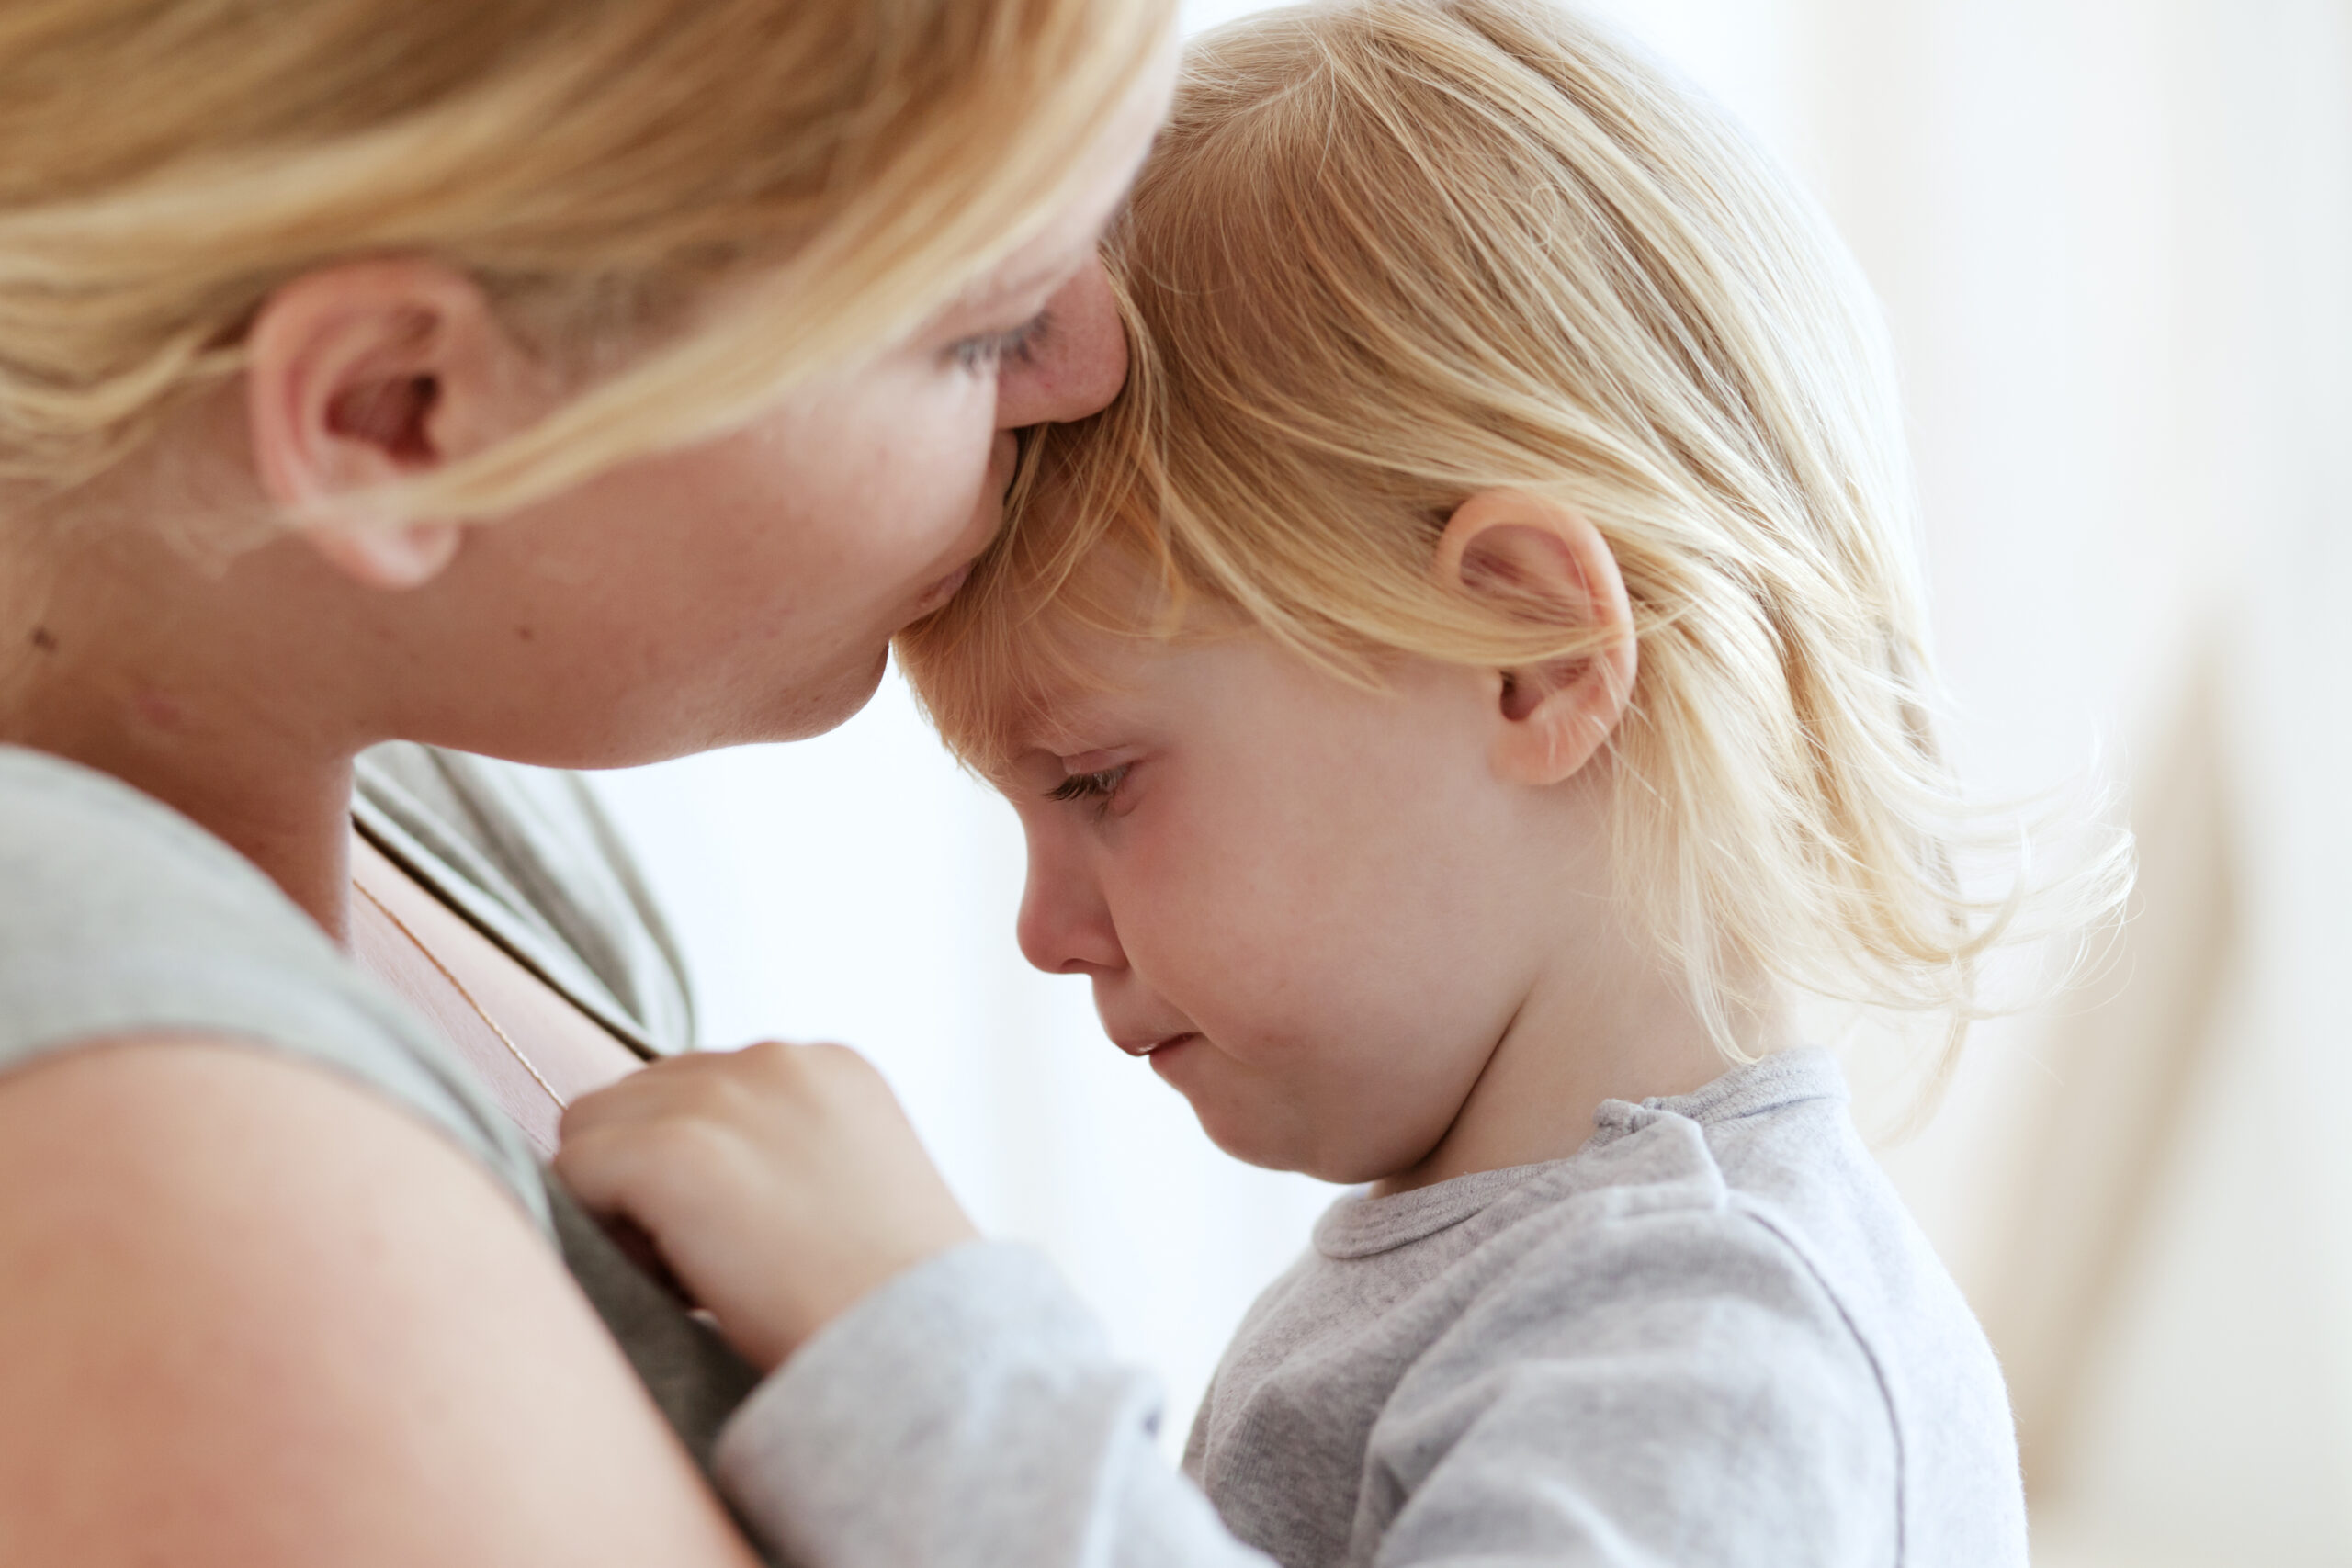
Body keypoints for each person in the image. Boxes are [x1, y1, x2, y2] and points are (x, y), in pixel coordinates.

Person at [552, 2, 2132, 1565]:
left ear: (1535, 654)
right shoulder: (1536, 1275)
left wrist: (915, 1346)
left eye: (1098, 780)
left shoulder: (1713, 1344)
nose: (1044, 931)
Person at [0, 0, 1178, 1560]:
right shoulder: (151, 1158)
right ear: (391, 416)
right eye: (973, 329)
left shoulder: (429, 810)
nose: (1091, 364)